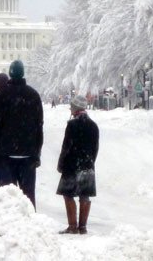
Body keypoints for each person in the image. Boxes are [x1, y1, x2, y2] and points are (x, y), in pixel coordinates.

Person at [0, 60, 44, 208]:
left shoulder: (2, 96)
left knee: (8, 197)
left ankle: (9, 224)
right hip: (28, 155)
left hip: (6, 155)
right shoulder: (33, 95)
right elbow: (39, 127)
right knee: (28, 196)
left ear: (11, 74)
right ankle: (30, 223)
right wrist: (37, 152)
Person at [56, 94, 99, 234]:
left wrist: (61, 163)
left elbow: (66, 146)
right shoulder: (94, 126)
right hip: (87, 165)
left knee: (68, 195)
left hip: (71, 165)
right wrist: (90, 161)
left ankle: (72, 226)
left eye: (71, 108)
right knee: (84, 195)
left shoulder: (72, 125)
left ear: (75, 109)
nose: (70, 110)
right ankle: (83, 227)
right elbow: (95, 148)